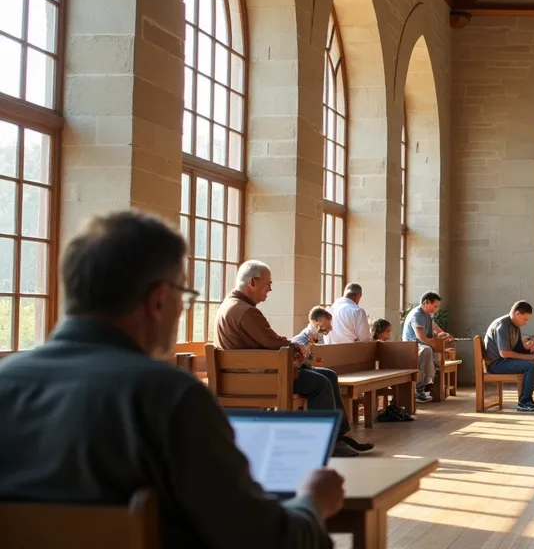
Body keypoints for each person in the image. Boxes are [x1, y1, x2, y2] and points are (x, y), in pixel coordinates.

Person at [0, 210, 344, 547]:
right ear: (158, 300)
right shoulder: (170, 398)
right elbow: (264, 538)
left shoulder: (6, 382)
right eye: (183, 296)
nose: (182, 309)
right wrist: (312, 503)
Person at [215, 260, 371, 457]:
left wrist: (292, 348)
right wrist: (296, 347)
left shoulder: (231, 305)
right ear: (252, 282)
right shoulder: (246, 311)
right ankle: (323, 442)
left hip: (248, 375)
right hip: (258, 379)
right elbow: (275, 343)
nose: (270, 289)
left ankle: (336, 436)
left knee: (329, 375)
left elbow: (267, 342)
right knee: (321, 383)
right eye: (268, 283)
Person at [484, 301, 534, 412]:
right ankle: (524, 401)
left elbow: (518, 350)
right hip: (497, 363)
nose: (525, 323)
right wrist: (530, 359)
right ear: (517, 314)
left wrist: (530, 350)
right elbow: (504, 353)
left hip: (506, 360)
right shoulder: (502, 325)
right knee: (530, 366)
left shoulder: (515, 326)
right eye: (525, 319)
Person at [403, 292, 451, 403]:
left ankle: (428, 384)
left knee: (434, 354)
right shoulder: (417, 314)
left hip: (421, 345)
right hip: (411, 346)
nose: (436, 309)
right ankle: (419, 388)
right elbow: (422, 338)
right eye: (435, 306)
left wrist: (445, 335)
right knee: (427, 350)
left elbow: (435, 327)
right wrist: (436, 344)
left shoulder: (427, 315)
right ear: (426, 302)